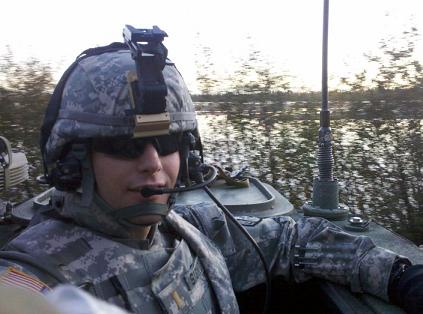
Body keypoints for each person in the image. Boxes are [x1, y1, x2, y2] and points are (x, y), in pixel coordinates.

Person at [0, 26, 422, 314]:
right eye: (123, 146)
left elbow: (292, 240)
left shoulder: (189, 230)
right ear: (74, 162)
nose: (153, 164)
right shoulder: (36, 279)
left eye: (167, 144)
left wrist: (400, 277)